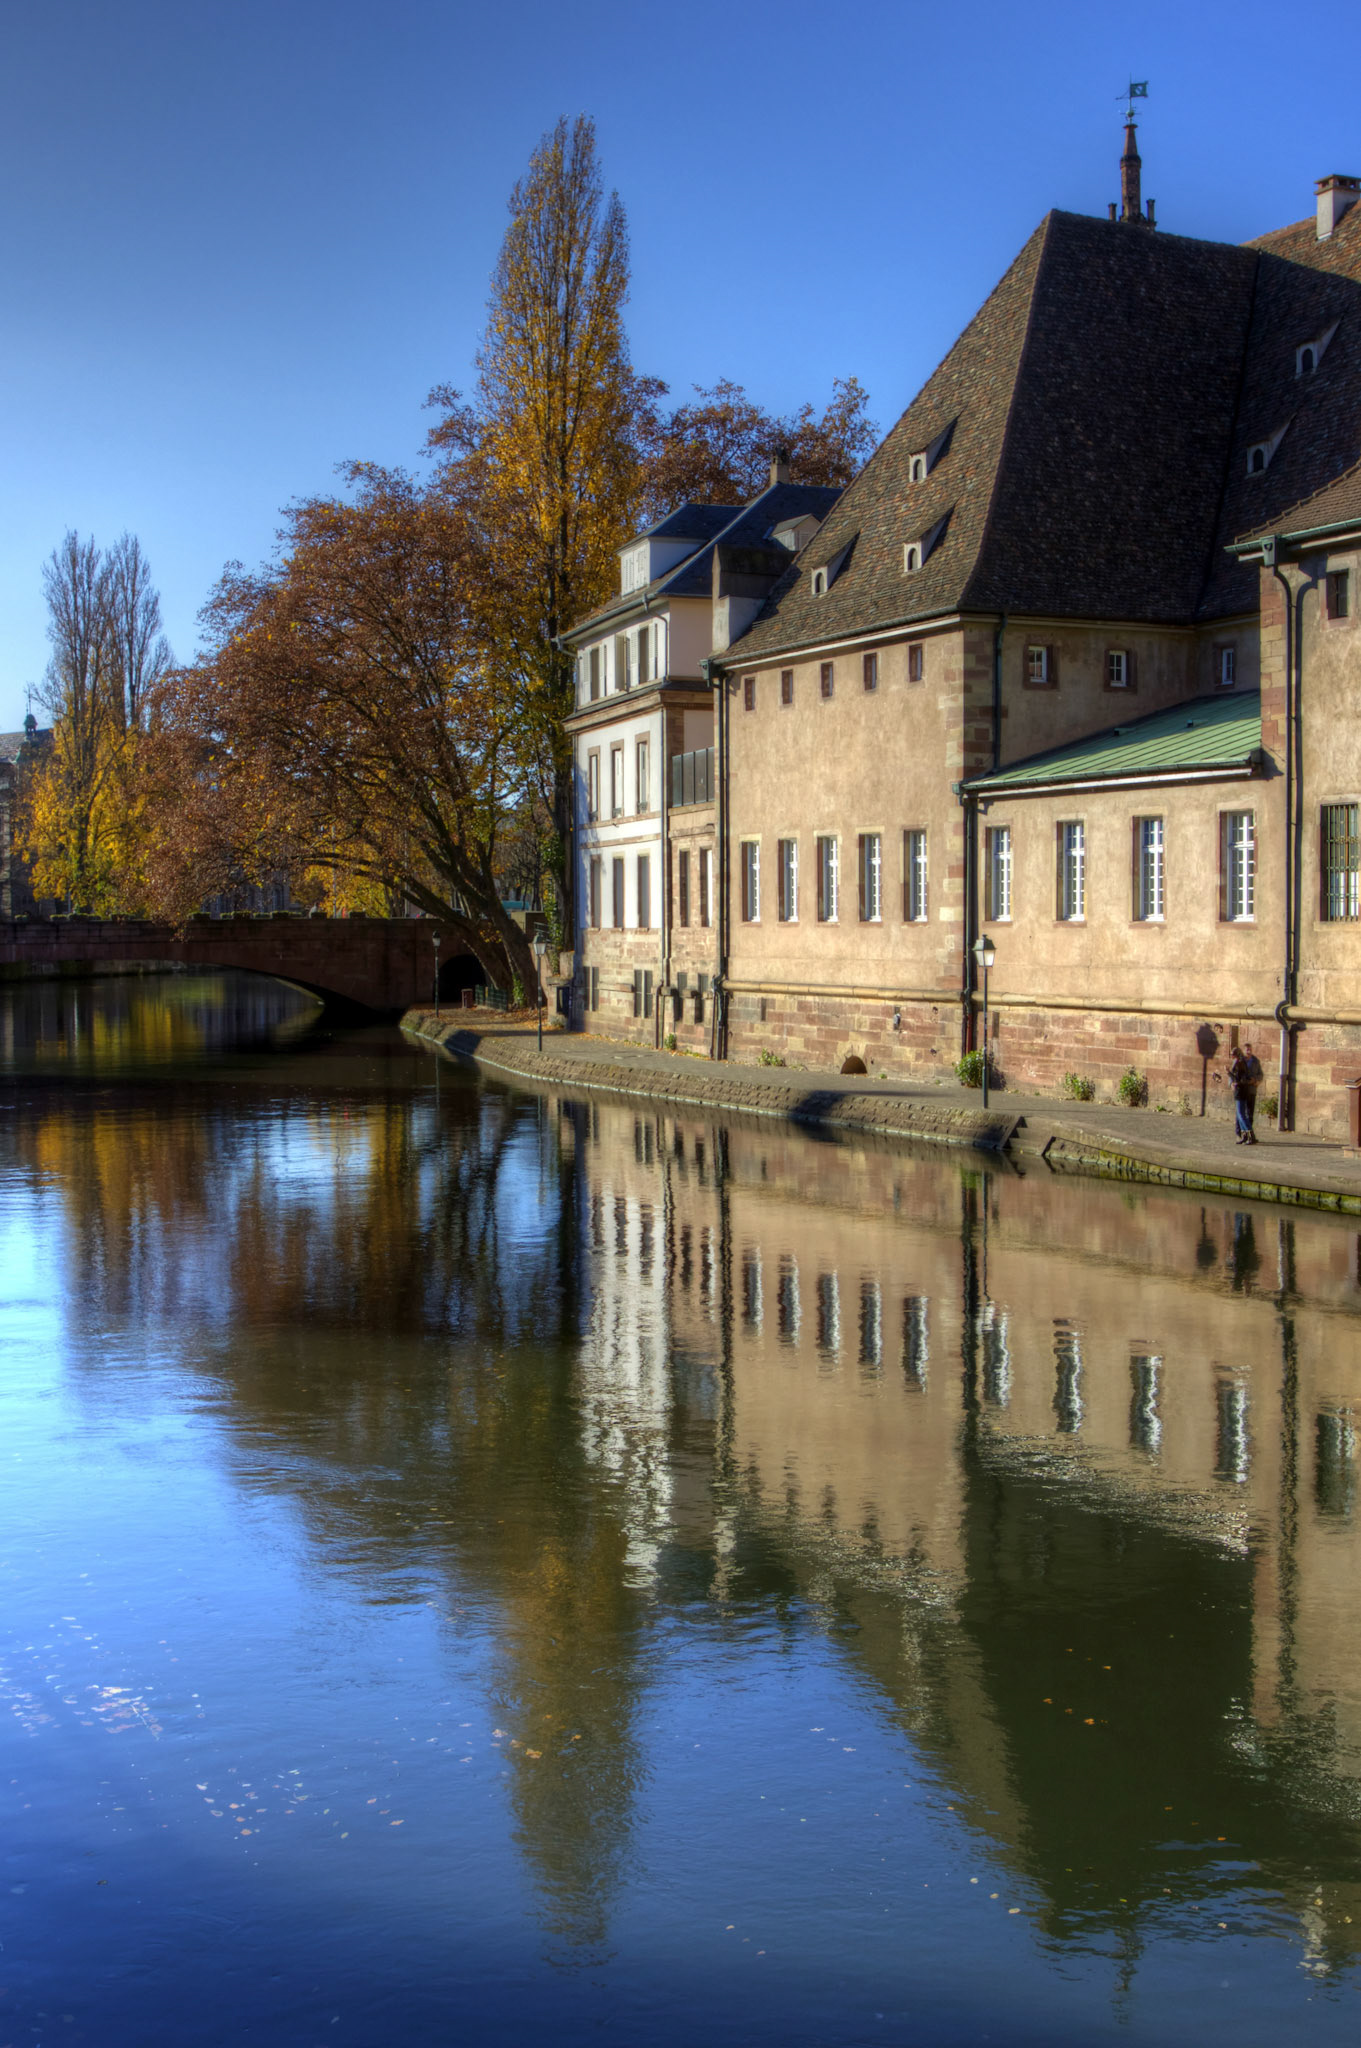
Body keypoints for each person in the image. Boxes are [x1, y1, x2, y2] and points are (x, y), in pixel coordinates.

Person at [1229, 1042, 1263, 1144]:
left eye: (1250, 1049)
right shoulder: (1239, 1061)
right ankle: (1242, 1135)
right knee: (1240, 1114)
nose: (1248, 1051)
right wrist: (1231, 1084)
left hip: (1249, 1090)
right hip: (1242, 1090)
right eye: (1247, 1049)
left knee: (1246, 1114)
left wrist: (1255, 1080)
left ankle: (1249, 1135)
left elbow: (1259, 1075)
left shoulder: (1255, 1061)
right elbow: (1233, 1076)